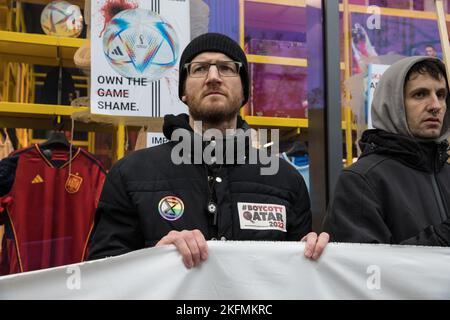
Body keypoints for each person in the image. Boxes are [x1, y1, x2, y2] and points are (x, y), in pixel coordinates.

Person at [88, 33, 329, 268]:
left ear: (244, 91)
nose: (213, 77)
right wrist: (154, 260)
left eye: (226, 68)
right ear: (183, 91)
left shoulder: (285, 180)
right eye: (200, 68)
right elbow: (102, 274)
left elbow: (296, 284)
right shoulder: (131, 173)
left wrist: (313, 256)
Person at [324, 56, 450, 245]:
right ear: (392, 103)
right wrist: (442, 236)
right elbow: (363, 269)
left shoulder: (447, 173)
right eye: (420, 94)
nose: (436, 106)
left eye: (441, 95)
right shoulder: (362, 179)